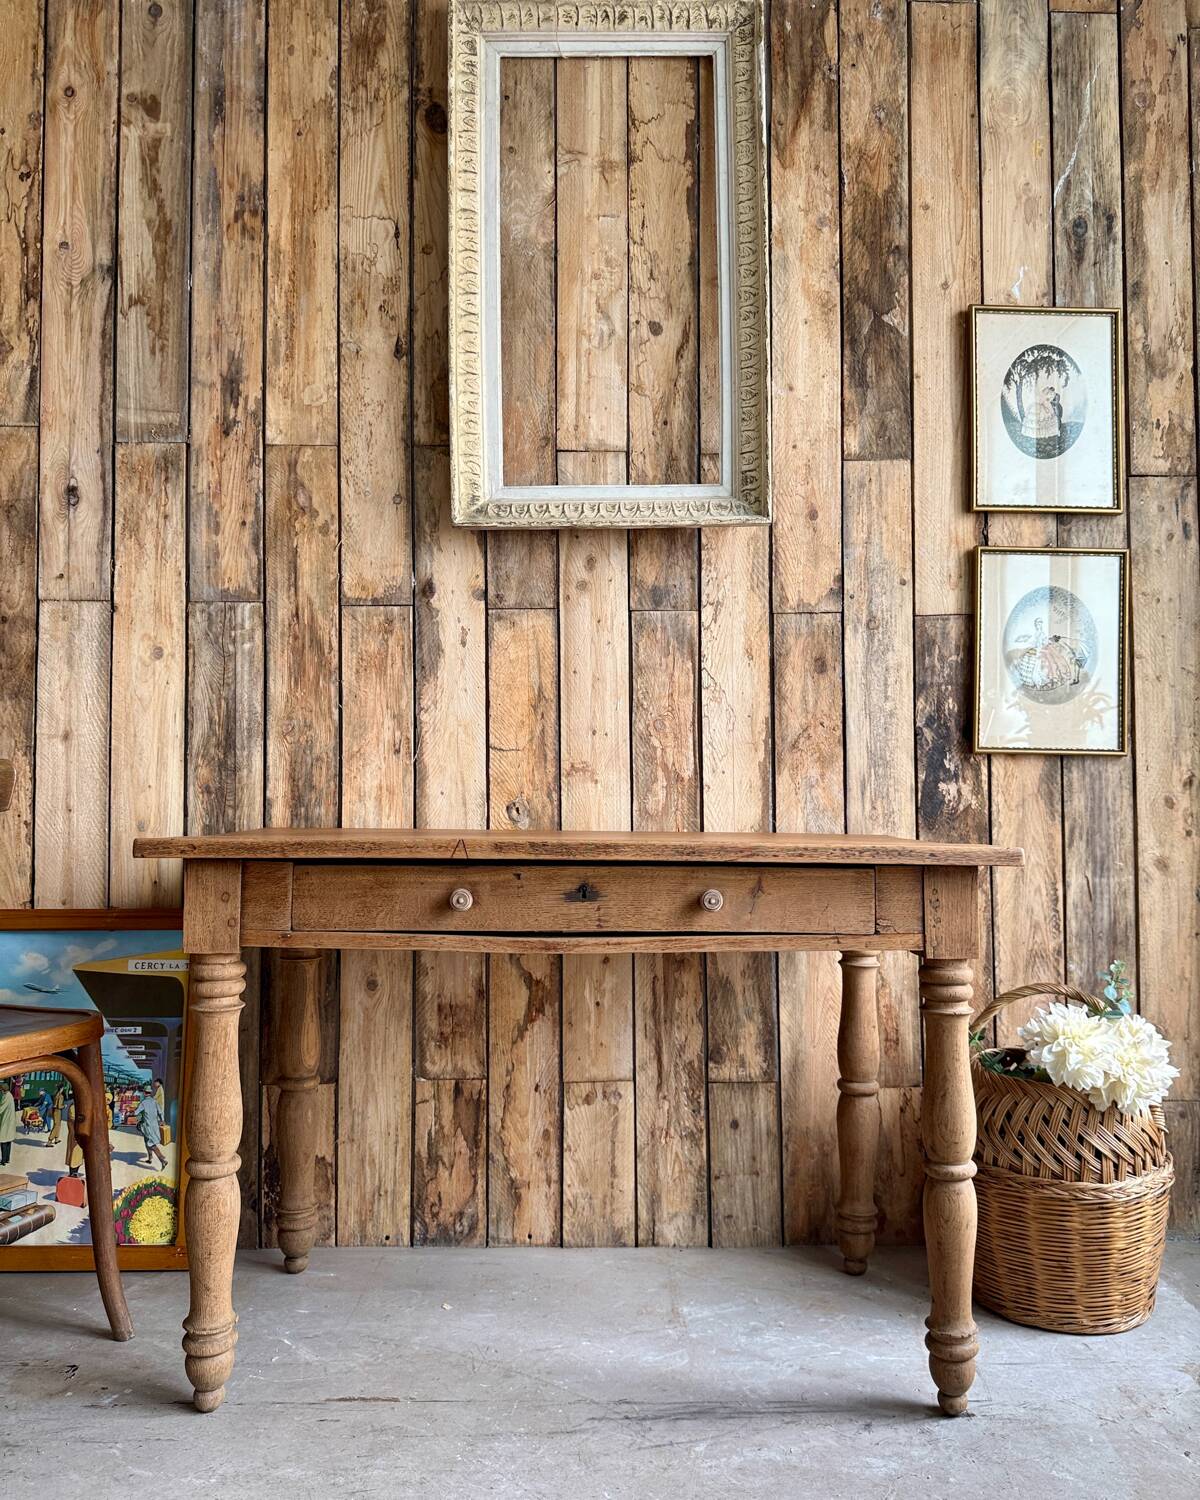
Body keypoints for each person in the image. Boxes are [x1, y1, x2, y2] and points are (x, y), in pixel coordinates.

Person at [136, 1081, 167, 1171]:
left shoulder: (143, 1103)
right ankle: (150, 1159)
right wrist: (162, 1120)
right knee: (147, 1142)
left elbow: (136, 1112)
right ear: (150, 1093)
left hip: (147, 1126)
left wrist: (135, 1111)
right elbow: (160, 1112)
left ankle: (162, 1160)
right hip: (154, 1125)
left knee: (151, 1144)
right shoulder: (154, 1102)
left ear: (144, 1093)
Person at [0, 1081, 15, 1166]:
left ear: (3, 1089)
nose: (1, 1091)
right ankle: (7, 1159)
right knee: (8, 1141)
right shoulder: (9, 1095)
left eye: (1, 1089)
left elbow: (1, 1108)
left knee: (3, 1141)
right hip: (9, 1121)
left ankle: (3, 1161)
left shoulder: (6, 1096)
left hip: (6, 1121)